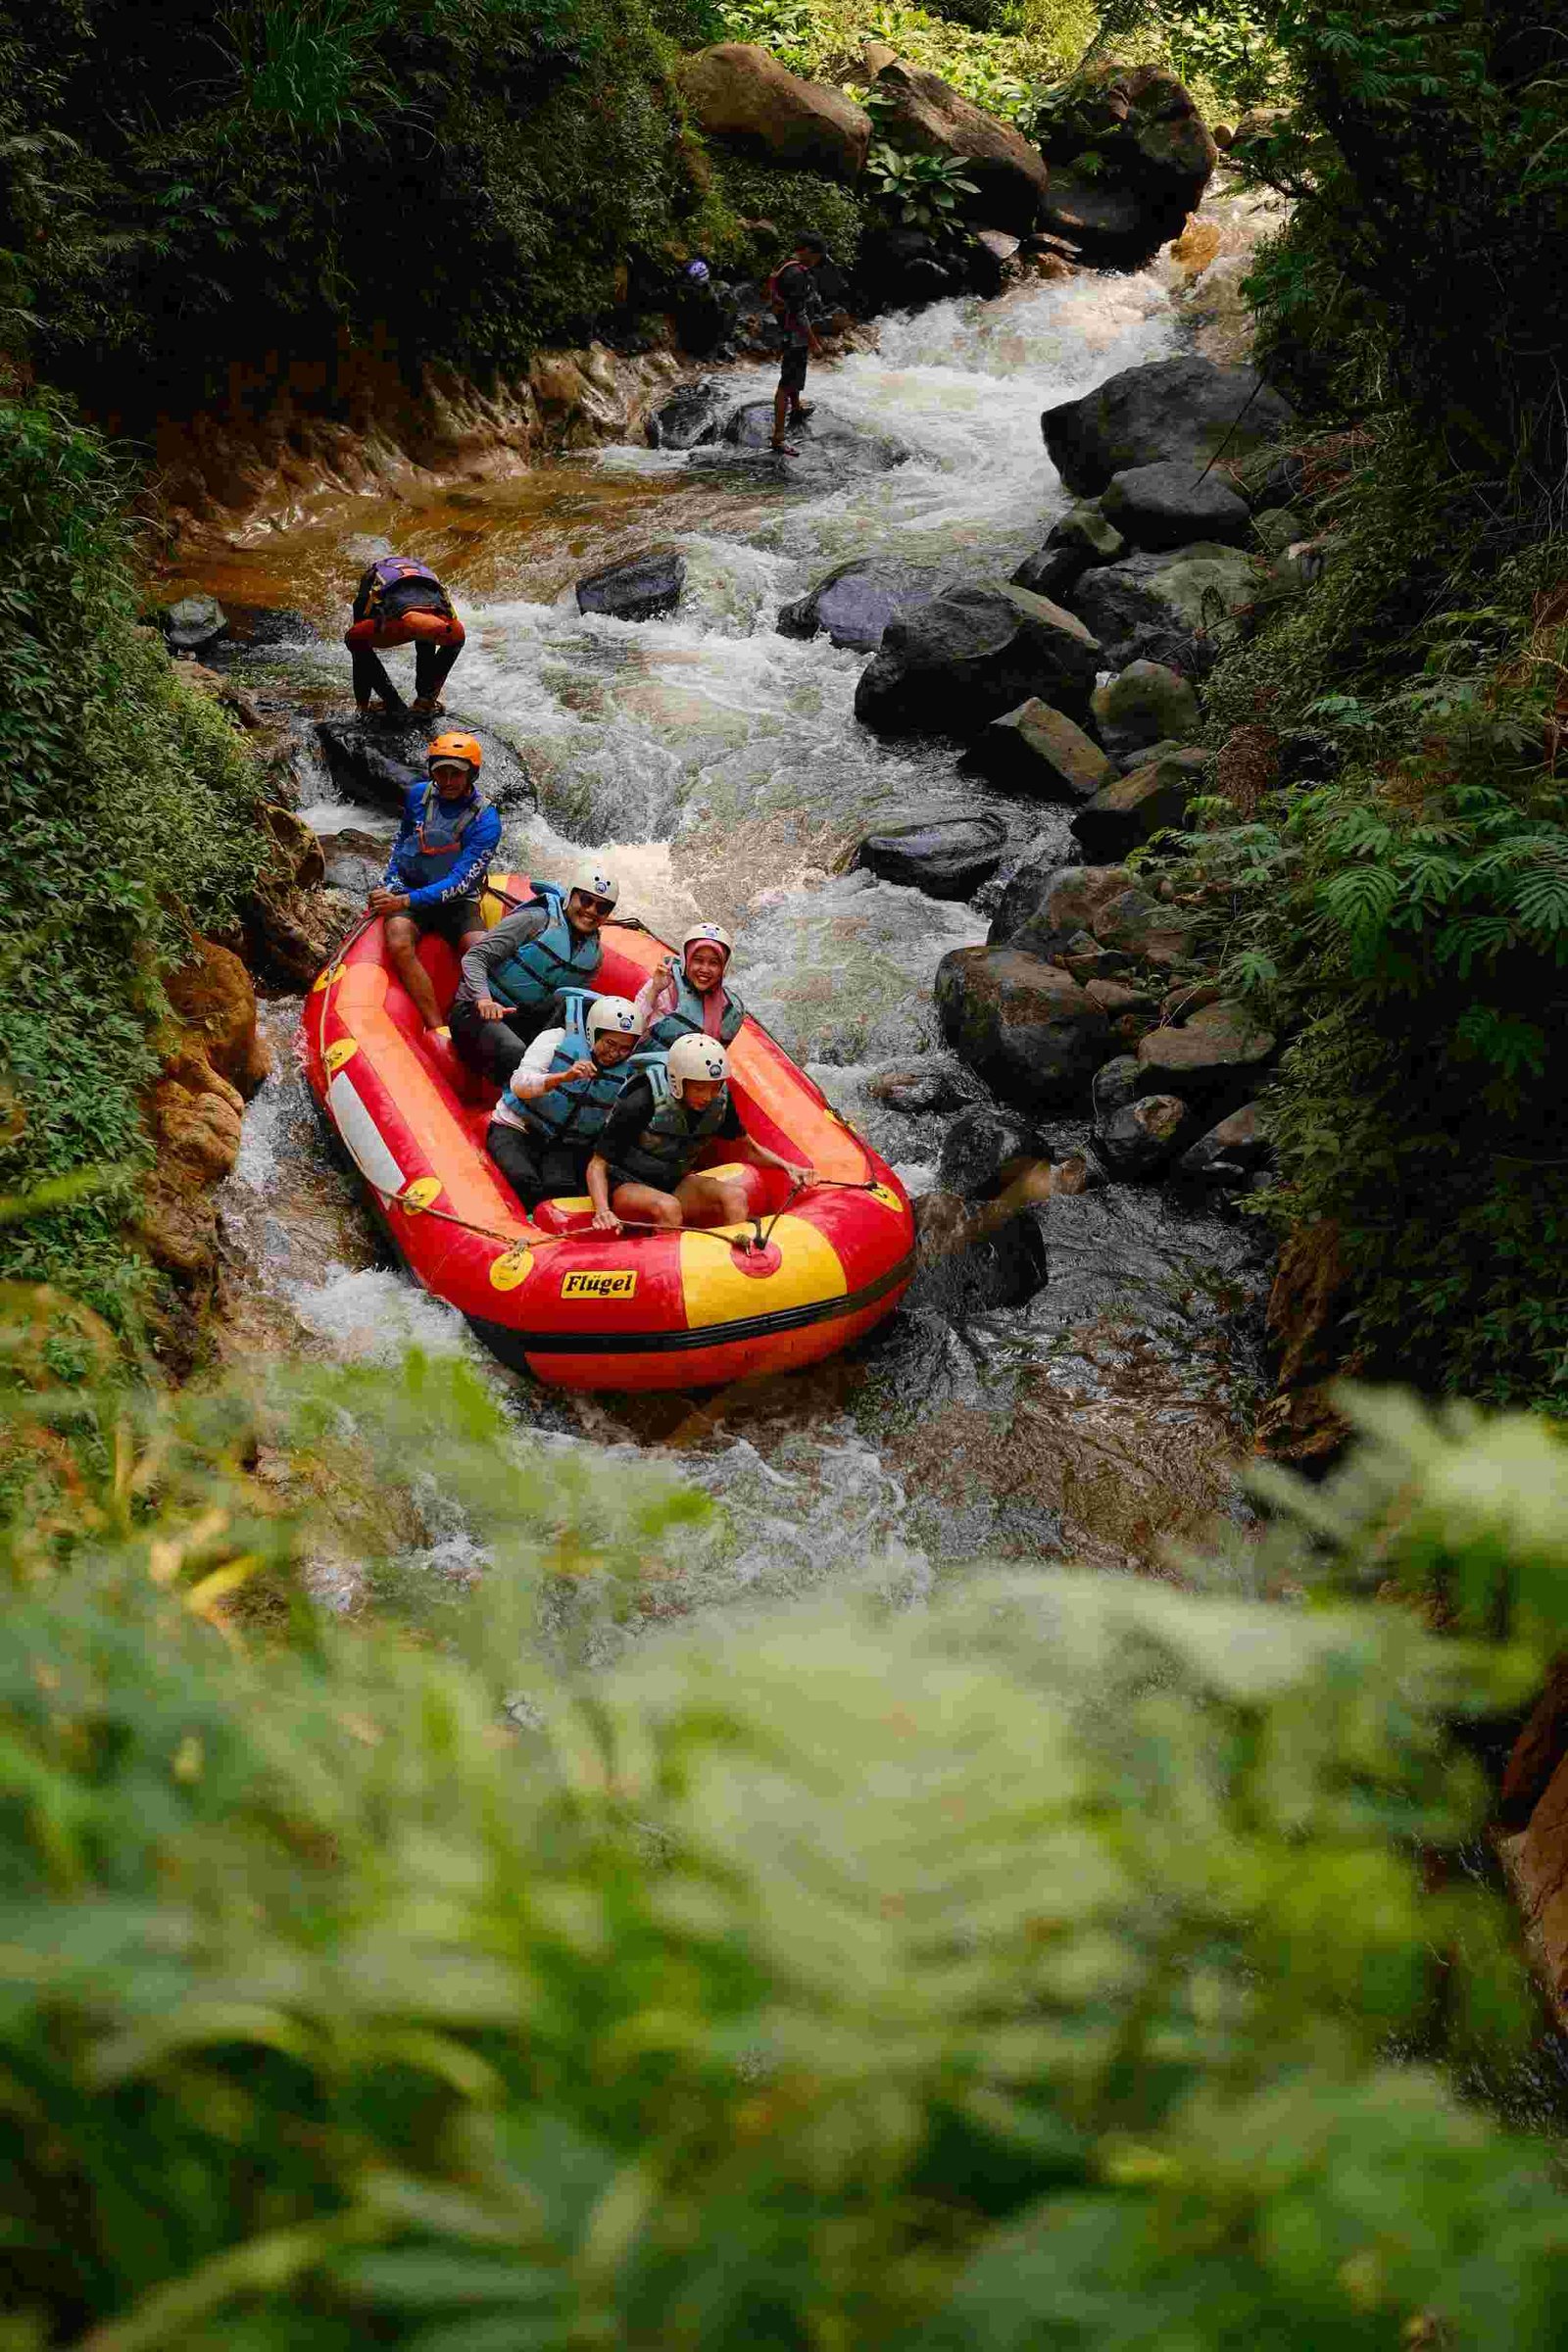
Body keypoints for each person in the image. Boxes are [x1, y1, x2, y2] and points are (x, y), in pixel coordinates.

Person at [586, 1035, 813, 1237]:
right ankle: (671, 1272)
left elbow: (749, 1149)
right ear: (678, 1081)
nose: (708, 1097)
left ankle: (733, 1266)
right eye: (700, 1088)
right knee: (669, 1207)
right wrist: (603, 1211)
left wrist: (789, 1167)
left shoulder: (719, 1102)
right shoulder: (641, 1101)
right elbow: (597, 1164)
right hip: (627, 1185)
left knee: (735, 1196)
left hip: (673, 1181)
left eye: (715, 1088)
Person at [368, 732, 500, 1034]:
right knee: (399, 940)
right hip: (413, 886)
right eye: (441, 772)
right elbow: (403, 844)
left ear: (472, 775)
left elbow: (460, 881)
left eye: (457, 773)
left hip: (456, 900)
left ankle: (470, 1016)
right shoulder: (418, 795)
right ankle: (436, 1026)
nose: (449, 780)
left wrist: (404, 901)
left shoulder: (486, 820)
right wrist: (388, 885)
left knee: (478, 948)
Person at [450, 860, 619, 1084]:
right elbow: (475, 957)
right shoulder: (533, 920)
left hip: (526, 1022)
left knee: (576, 1063)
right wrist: (483, 999)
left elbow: (570, 1005)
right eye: (586, 900)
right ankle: (509, 1108)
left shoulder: (594, 956)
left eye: (602, 907)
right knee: (515, 1051)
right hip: (476, 1012)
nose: (591, 911)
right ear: (570, 897)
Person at [485, 993, 641, 1210]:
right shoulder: (556, 1038)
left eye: (625, 1048)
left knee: (562, 1193)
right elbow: (519, 1084)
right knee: (524, 1182)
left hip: (563, 1144)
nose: (615, 1053)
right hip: (516, 1128)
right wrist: (563, 1077)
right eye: (610, 1043)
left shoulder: (627, 1074)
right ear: (592, 1032)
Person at [344, 555, 466, 719]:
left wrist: (428, 696)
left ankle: (424, 701)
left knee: (429, 639)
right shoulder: (390, 621)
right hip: (394, 601)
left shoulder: (451, 627)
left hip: (422, 597)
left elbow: (449, 639)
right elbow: (355, 644)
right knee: (357, 642)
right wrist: (366, 703)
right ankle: (392, 704)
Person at [633, 921, 745, 1051]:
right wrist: (654, 991)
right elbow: (631, 1035)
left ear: (724, 967)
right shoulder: (664, 987)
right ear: (686, 960)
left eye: (714, 963)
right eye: (698, 960)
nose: (705, 969)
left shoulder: (729, 1008)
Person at [766, 234, 826, 456]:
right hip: (794, 336)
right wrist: (814, 343)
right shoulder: (797, 274)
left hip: (783, 331)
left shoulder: (785, 265)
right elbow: (799, 314)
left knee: (794, 377)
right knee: (786, 384)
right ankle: (778, 438)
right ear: (809, 251)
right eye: (818, 256)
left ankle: (797, 409)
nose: (818, 262)